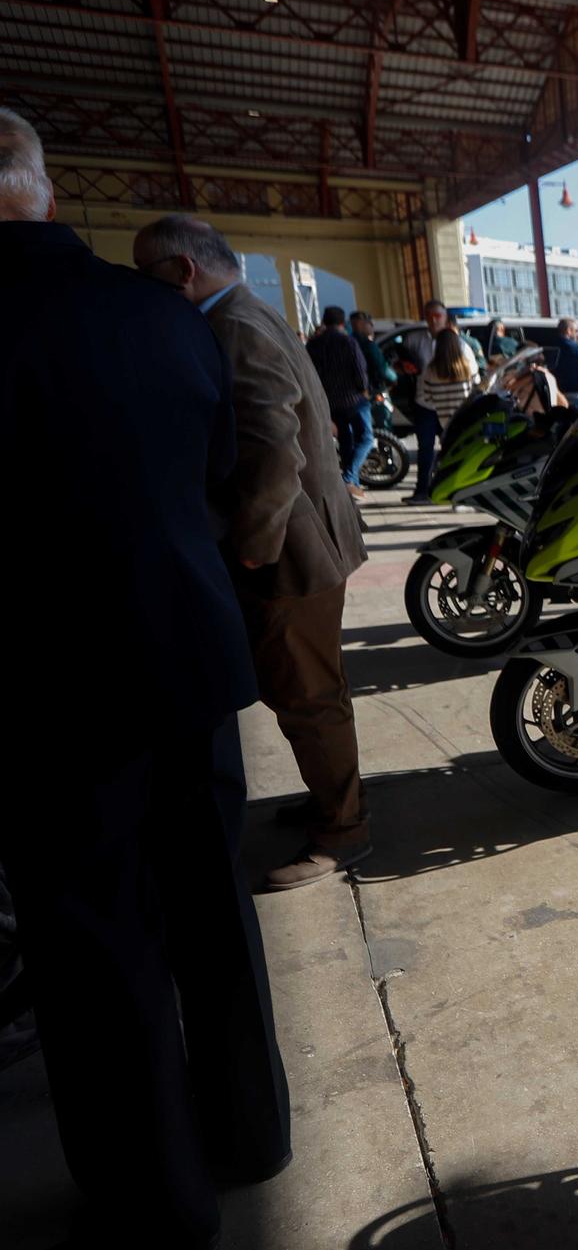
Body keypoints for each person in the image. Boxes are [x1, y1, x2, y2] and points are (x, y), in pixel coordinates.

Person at [5, 108, 290, 1250]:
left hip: (50, 690)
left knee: (99, 948)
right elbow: (215, 475)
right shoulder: (161, 317)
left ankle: (157, 1208)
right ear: (47, 190)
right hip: (189, 658)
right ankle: (248, 1130)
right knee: (210, 904)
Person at [133, 213, 374, 890]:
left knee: (307, 694)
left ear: (183, 271)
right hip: (308, 538)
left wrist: (250, 545)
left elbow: (275, 447)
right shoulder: (249, 310)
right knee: (312, 689)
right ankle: (338, 797)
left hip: (290, 549)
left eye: (145, 274)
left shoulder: (232, 325)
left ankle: (343, 831)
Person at [404, 298, 480, 500]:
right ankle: (423, 490)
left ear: (445, 318)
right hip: (429, 407)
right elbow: (475, 382)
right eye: (430, 316)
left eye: (438, 316)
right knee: (427, 449)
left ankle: (447, 488)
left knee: (451, 448)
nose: (434, 320)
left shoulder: (462, 346)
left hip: (442, 404)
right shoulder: (415, 341)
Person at [305, 305, 373, 500]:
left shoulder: (313, 345)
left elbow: (310, 374)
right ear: (343, 323)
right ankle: (349, 478)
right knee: (366, 438)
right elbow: (360, 372)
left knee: (345, 442)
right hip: (354, 400)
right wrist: (363, 390)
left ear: (325, 322)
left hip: (329, 402)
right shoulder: (348, 342)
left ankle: (353, 485)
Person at [419, 327, 478, 435]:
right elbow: (477, 388)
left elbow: (427, 398)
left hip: (445, 423)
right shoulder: (468, 367)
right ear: (456, 344)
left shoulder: (430, 371)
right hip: (466, 420)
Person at [548, 316, 578, 405]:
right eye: (576, 331)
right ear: (568, 331)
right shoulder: (575, 347)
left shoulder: (551, 346)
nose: (577, 334)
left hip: (557, 393)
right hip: (576, 393)